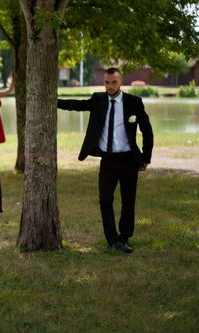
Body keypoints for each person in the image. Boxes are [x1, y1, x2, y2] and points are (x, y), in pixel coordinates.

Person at [57, 67, 153, 253]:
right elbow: (77, 105)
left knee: (128, 201)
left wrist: (145, 158)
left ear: (121, 82)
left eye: (113, 82)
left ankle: (124, 239)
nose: (109, 86)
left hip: (128, 160)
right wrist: (54, 102)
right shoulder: (98, 100)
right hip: (108, 160)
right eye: (106, 83)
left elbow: (147, 131)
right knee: (105, 199)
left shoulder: (134, 102)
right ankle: (111, 240)